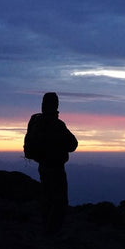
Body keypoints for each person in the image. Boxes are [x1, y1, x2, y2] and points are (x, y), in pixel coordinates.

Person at [23, 92, 78, 233]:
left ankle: (45, 227)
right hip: (56, 167)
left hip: (43, 166)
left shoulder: (36, 121)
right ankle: (52, 232)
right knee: (60, 201)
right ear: (56, 105)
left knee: (47, 197)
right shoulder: (57, 124)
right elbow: (73, 145)